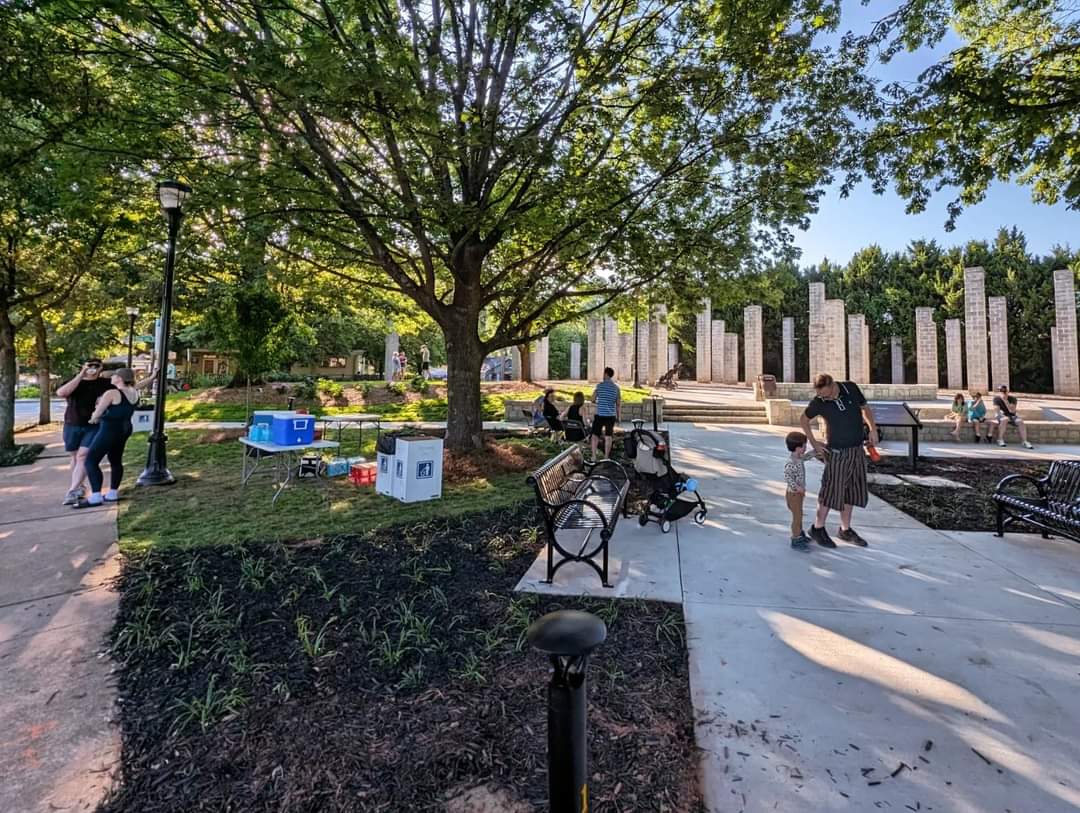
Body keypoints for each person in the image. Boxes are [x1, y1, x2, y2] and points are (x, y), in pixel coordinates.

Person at [799, 373, 878, 548]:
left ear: (833, 385)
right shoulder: (820, 401)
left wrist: (872, 429)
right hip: (836, 451)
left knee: (852, 489)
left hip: (856, 449)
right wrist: (814, 443)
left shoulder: (850, 387)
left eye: (826, 394)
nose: (824, 398)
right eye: (820, 395)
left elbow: (865, 408)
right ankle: (818, 528)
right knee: (830, 490)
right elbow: (804, 420)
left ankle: (845, 529)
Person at [75, 369, 140, 508]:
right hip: (125, 429)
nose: (112, 377)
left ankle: (96, 496)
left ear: (120, 378)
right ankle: (112, 493)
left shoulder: (112, 393)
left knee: (91, 460)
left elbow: (97, 413)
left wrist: (93, 418)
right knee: (116, 460)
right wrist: (153, 376)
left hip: (110, 429)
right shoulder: (134, 392)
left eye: (114, 375)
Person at [56, 359, 115, 505]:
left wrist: (151, 378)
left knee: (83, 456)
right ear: (84, 366)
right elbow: (61, 392)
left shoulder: (104, 383)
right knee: (75, 456)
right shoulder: (76, 381)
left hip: (93, 425)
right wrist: (81, 374)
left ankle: (72, 490)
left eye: (97, 366)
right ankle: (80, 486)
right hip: (72, 423)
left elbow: (126, 387)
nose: (93, 368)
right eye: (90, 365)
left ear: (101, 368)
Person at [784, 431, 818, 552]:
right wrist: (797, 487)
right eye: (804, 446)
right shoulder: (791, 462)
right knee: (797, 517)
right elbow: (788, 477)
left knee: (799, 515)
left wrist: (816, 451)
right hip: (793, 494)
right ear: (798, 448)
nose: (805, 448)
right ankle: (796, 539)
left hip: (798, 494)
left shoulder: (798, 458)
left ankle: (800, 534)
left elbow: (807, 457)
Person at [590, 366, 621, 458]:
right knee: (608, 436)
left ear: (606, 374)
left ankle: (594, 456)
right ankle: (606, 456)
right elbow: (618, 404)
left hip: (600, 414)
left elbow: (592, 399)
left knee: (595, 435)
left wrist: (597, 400)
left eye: (604, 373)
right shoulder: (616, 388)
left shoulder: (599, 386)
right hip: (611, 415)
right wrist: (619, 417)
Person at [993, 384, 1034, 449]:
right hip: (1001, 415)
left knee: (1020, 421)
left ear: (1007, 391)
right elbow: (997, 410)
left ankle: (1024, 441)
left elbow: (1012, 411)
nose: (1002, 393)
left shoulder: (1012, 399)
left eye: (1004, 391)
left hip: (1012, 415)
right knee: (1005, 419)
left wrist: (1006, 401)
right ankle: (1000, 439)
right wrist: (1003, 414)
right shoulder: (996, 399)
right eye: (1000, 391)